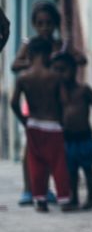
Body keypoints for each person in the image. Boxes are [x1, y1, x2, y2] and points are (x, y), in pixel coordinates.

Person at [12, 1, 85, 205]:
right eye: (40, 23)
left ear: (56, 24)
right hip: (37, 99)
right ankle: (30, 190)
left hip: (58, 102)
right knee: (32, 146)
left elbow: (81, 58)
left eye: (49, 23)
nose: (45, 27)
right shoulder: (31, 45)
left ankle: (56, 190)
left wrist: (65, 60)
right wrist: (36, 64)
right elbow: (14, 64)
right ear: (34, 24)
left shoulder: (61, 45)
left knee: (58, 149)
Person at [10, 38, 73, 212]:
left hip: (33, 124)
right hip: (53, 124)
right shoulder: (55, 77)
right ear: (48, 55)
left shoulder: (24, 78)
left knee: (36, 164)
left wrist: (24, 120)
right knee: (59, 164)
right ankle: (64, 199)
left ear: (29, 54)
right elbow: (65, 101)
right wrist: (63, 122)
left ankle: (40, 200)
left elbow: (14, 103)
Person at [51, 52, 92, 210]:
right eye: (56, 70)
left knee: (88, 168)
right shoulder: (58, 93)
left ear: (74, 70)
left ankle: (91, 196)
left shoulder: (84, 90)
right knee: (71, 171)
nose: (60, 74)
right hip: (67, 138)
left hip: (84, 136)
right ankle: (73, 197)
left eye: (63, 69)